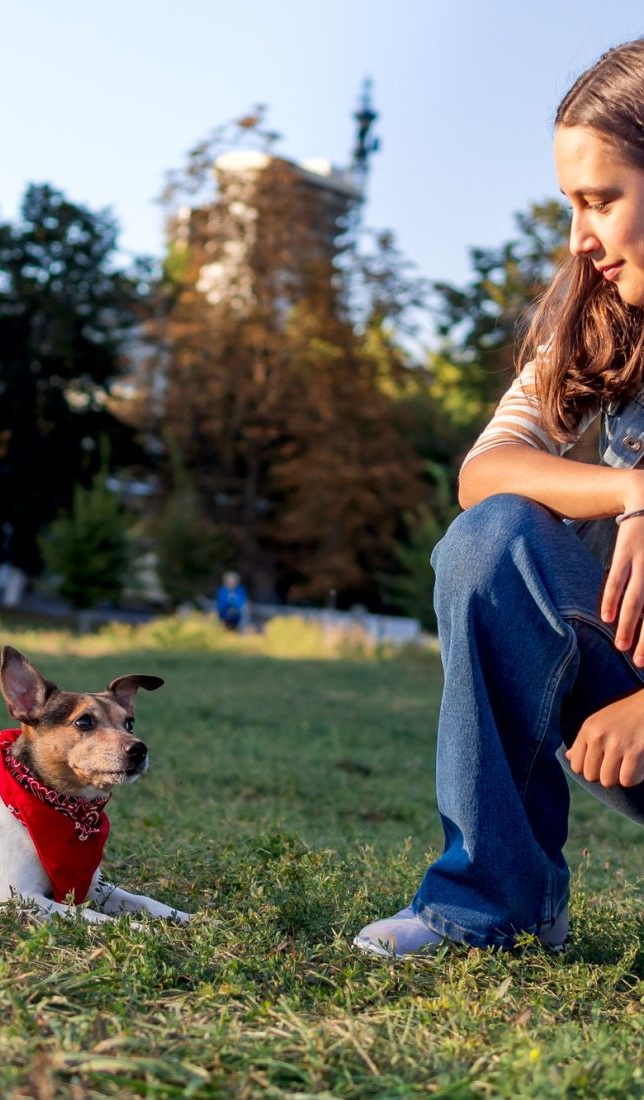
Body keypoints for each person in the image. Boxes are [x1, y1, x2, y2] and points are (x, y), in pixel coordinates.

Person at [354, 38, 644, 958]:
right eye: (571, 204)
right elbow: (488, 471)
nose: (579, 238)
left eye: (601, 201)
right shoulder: (599, 316)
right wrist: (634, 488)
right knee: (493, 538)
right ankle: (493, 907)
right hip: (621, 695)